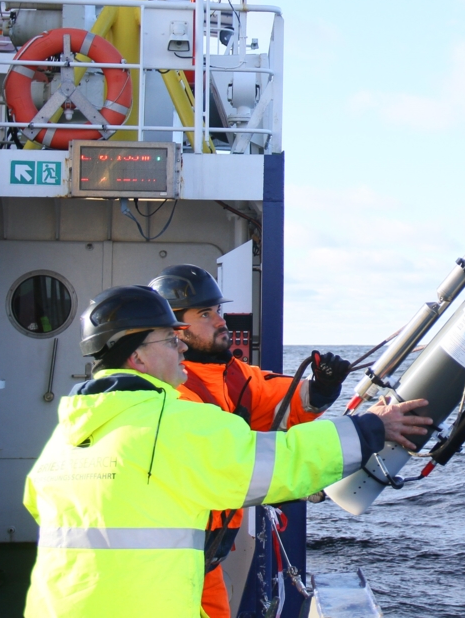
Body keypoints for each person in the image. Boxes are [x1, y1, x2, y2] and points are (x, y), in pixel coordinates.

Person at [23, 285, 430, 618]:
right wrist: (368, 429)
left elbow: (39, 504)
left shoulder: (67, 433)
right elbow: (279, 462)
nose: (180, 346)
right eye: (170, 339)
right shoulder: (172, 422)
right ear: (138, 357)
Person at [148, 263, 352, 618]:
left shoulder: (232, 375)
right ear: (175, 329)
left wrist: (321, 389)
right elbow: (230, 467)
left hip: (206, 559)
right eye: (206, 314)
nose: (220, 321)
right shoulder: (169, 389)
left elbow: (281, 401)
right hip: (163, 561)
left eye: (219, 311)